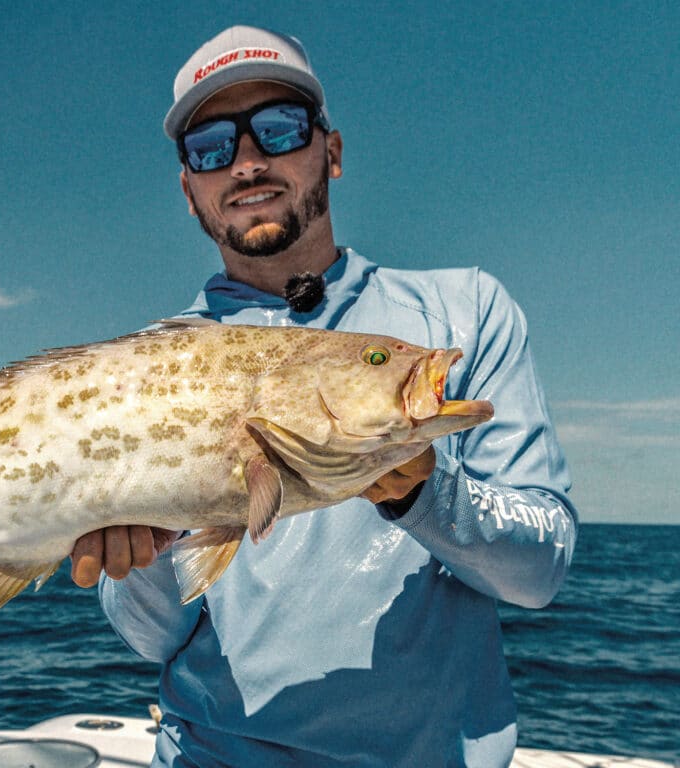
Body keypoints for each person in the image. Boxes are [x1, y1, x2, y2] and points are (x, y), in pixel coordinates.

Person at [71, 25, 577, 768]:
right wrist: (141, 555)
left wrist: (426, 492)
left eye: (278, 128)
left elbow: (541, 572)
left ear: (330, 152)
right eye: (211, 148)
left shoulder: (465, 312)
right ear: (189, 191)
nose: (247, 162)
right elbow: (150, 638)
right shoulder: (144, 369)